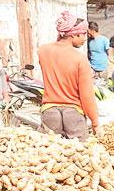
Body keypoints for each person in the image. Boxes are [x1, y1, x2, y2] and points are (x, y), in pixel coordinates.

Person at [38, 11, 98, 141]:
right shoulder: (80, 59)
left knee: (50, 154)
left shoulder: (43, 51)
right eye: (83, 34)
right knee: (80, 155)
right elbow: (87, 96)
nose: (84, 38)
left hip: (50, 112)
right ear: (74, 34)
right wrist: (95, 122)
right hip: (73, 114)